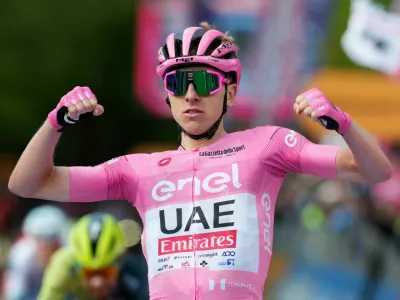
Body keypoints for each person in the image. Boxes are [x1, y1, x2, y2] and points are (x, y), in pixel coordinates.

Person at [8, 21, 392, 300]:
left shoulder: (268, 145)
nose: (191, 94)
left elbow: (374, 170)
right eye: (178, 83)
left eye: (205, 82)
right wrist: (55, 122)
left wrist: (343, 123)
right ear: (168, 95)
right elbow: (27, 183)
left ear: (231, 90)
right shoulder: (137, 170)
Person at [38, 212, 149, 300]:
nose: (97, 283)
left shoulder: (136, 268)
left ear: (119, 261)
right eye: (89, 273)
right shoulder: (63, 265)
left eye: (106, 272)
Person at [3, 205, 70, 300]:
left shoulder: (69, 252)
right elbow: (12, 295)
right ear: (34, 242)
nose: (47, 250)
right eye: (43, 243)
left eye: (52, 245)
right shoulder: (22, 256)